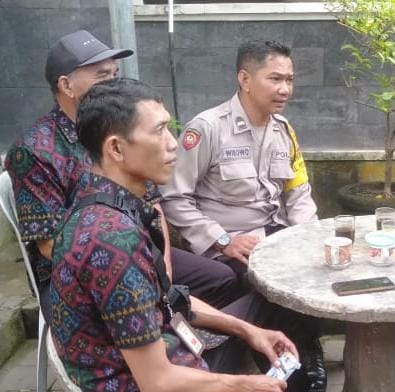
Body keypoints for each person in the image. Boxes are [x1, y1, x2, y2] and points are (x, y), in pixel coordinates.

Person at [50, 77, 395, 392]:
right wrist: (247, 386)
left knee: (268, 299)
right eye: (159, 131)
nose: (172, 143)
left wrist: (248, 330)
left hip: (176, 353)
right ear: (116, 148)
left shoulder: (108, 204)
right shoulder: (111, 239)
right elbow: (158, 385)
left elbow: (170, 300)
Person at [4, 29, 243, 324]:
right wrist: (139, 274)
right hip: (76, 272)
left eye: (115, 74)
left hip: (140, 248)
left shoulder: (122, 129)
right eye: (103, 75)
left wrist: (163, 266)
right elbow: (50, 245)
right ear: (66, 85)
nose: (114, 83)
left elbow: (152, 204)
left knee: (223, 279)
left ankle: (181, 333)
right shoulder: (34, 150)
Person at [160, 40, 326, 392]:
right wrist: (222, 240)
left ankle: (306, 351)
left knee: (317, 273)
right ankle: (286, 372)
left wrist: (310, 237)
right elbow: (174, 198)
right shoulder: (207, 129)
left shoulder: (283, 130)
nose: (285, 89)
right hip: (229, 244)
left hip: (274, 236)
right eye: (275, 79)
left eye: (289, 79)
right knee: (272, 289)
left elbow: (298, 194)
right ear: (245, 79)